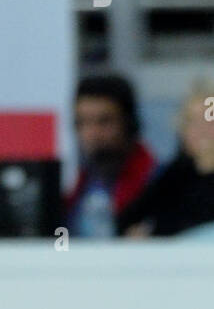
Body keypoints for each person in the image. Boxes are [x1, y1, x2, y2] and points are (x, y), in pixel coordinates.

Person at [64, 75, 158, 239]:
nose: (92, 134)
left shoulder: (159, 182)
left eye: (104, 122)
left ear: (129, 123)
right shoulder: (80, 187)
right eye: (83, 122)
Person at [119, 81, 214, 239]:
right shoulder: (174, 175)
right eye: (192, 121)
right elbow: (127, 220)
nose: (201, 129)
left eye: (209, 120)